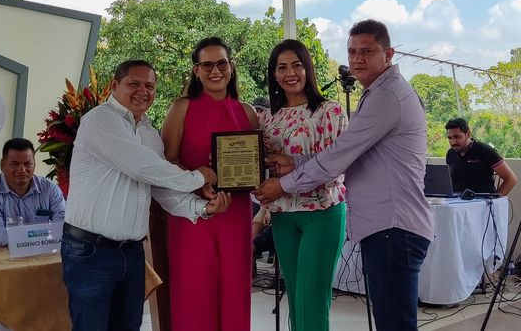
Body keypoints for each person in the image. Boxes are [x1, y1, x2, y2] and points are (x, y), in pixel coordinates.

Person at [255, 19, 434, 331]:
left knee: (387, 320)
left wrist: (282, 184)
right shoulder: (376, 93)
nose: (357, 59)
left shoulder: (383, 97)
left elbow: (337, 157)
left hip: (388, 225)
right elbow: (344, 156)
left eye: (367, 51)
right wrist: (294, 163)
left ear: (388, 53)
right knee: (302, 300)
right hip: (379, 226)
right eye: (352, 52)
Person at [62, 59, 230, 331]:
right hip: (91, 251)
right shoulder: (100, 119)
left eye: (150, 86)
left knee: (128, 327)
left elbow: (160, 188)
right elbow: (143, 168)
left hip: (132, 252)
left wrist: (201, 207)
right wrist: (199, 177)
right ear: (115, 85)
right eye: (134, 84)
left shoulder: (150, 133)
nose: (143, 92)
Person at [161, 37, 258, 331]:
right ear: (196, 70)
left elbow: (254, 163)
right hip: (192, 215)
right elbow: (166, 162)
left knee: (234, 293)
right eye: (207, 65)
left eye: (221, 63)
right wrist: (198, 181)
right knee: (195, 293)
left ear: (232, 66)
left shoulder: (248, 112)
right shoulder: (181, 108)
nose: (215, 71)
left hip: (236, 214)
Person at [257, 39, 347, 331]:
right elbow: (259, 166)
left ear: (308, 68)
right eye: (281, 67)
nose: (290, 73)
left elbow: (334, 169)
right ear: (274, 74)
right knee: (296, 298)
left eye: (296, 65)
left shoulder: (329, 111)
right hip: (283, 216)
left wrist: (287, 176)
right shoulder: (268, 118)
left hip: (322, 213)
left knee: (312, 298)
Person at [0, 138, 66, 248]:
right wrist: (35, 237)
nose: (22, 169)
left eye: (28, 164)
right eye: (14, 164)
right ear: (2, 165)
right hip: (0, 256)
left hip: (42, 253)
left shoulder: (50, 189)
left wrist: (32, 239)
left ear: (34, 164)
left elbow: (62, 227)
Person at [445, 117, 517, 195]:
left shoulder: (485, 151)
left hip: (482, 200)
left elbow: (511, 179)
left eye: (457, 137)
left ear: (468, 134)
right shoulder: (450, 154)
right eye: (449, 138)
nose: (453, 142)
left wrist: (496, 199)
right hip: (456, 200)